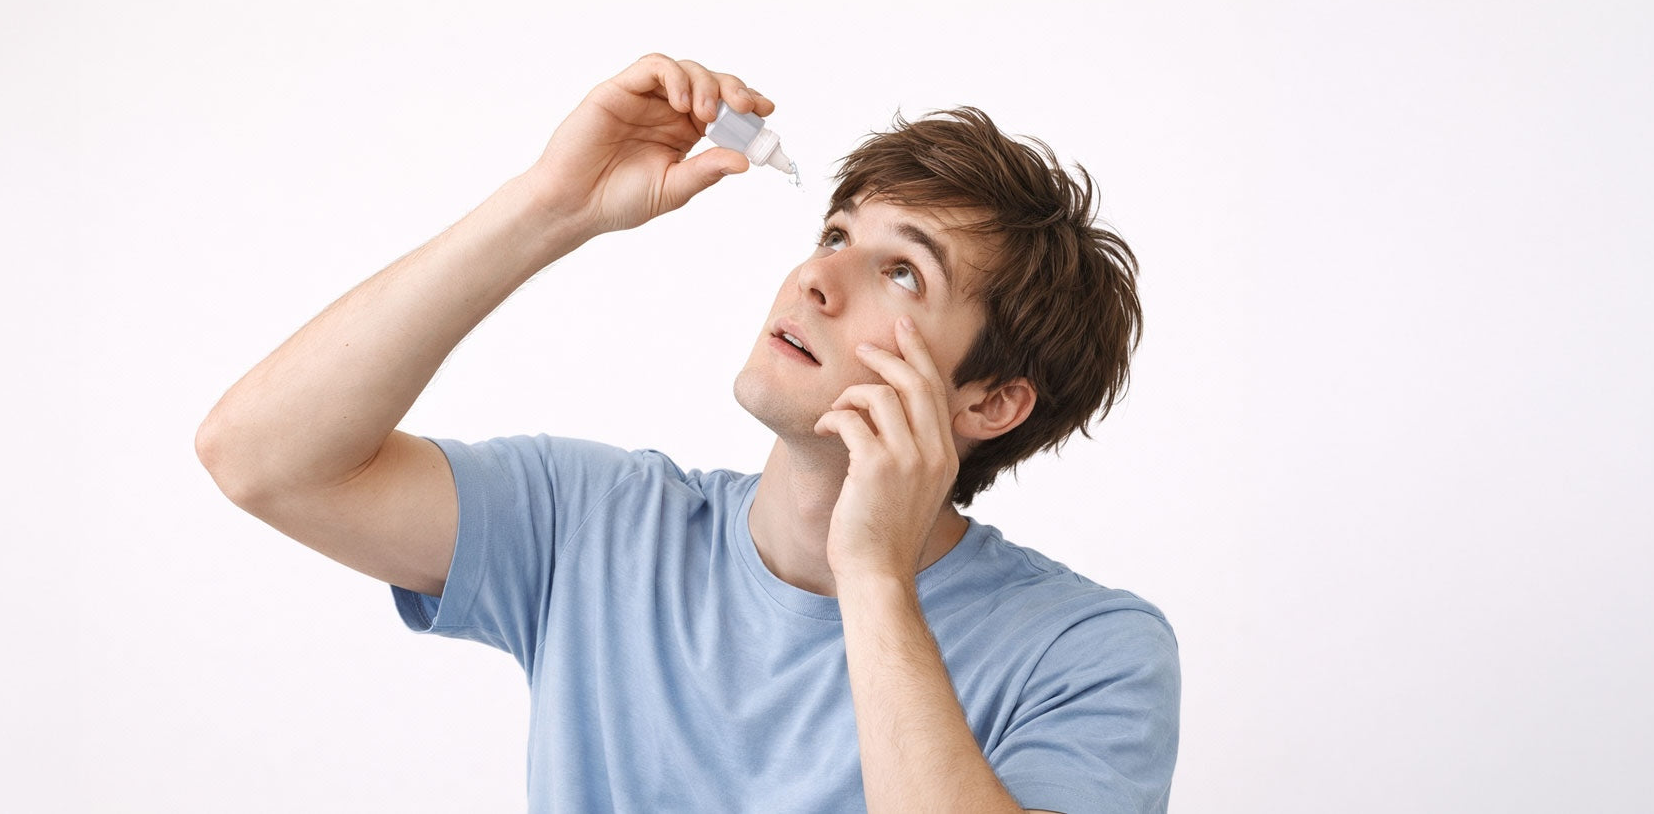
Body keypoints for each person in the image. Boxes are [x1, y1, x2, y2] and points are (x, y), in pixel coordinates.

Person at [197, 53, 1179, 813]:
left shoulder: (1089, 650)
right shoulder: (598, 526)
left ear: (991, 402)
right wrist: (554, 206)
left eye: (903, 272)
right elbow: (260, 459)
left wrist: (873, 576)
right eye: (835, 235)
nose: (816, 279)